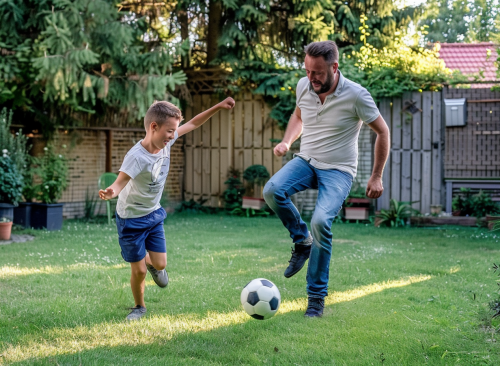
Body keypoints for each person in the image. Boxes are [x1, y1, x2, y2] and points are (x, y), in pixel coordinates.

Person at [263, 41, 390, 318]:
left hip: (339, 170)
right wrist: (287, 141)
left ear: (334, 67)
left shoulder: (356, 95)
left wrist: (376, 175)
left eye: (318, 72)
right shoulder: (303, 86)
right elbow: (299, 116)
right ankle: (301, 240)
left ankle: (316, 297)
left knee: (321, 221)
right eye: (308, 71)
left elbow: (383, 131)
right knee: (272, 190)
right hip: (306, 161)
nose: (312, 78)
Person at [99, 97, 235, 320]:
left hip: (153, 213)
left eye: (174, 131)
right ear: (154, 127)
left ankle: (150, 261)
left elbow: (193, 123)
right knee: (139, 270)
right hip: (131, 219)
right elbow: (120, 182)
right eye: (170, 131)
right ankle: (139, 307)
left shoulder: (167, 141)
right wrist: (111, 192)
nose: (173, 135)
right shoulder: (136, 156)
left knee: (161, 264)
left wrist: (218, 106)